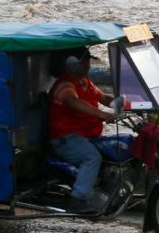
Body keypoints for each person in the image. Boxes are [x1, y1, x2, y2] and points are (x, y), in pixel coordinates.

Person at [48, 46, 115, 213]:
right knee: (92, 157)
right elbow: (73, 101)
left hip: (85, 135)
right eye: (85, 63)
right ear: (72, 64)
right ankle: (77, 199)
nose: (89, 66)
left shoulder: (85, 82)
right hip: (65, 138)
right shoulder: (64, 85)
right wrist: (100, 113)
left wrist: (129, 104)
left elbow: (104, 98)